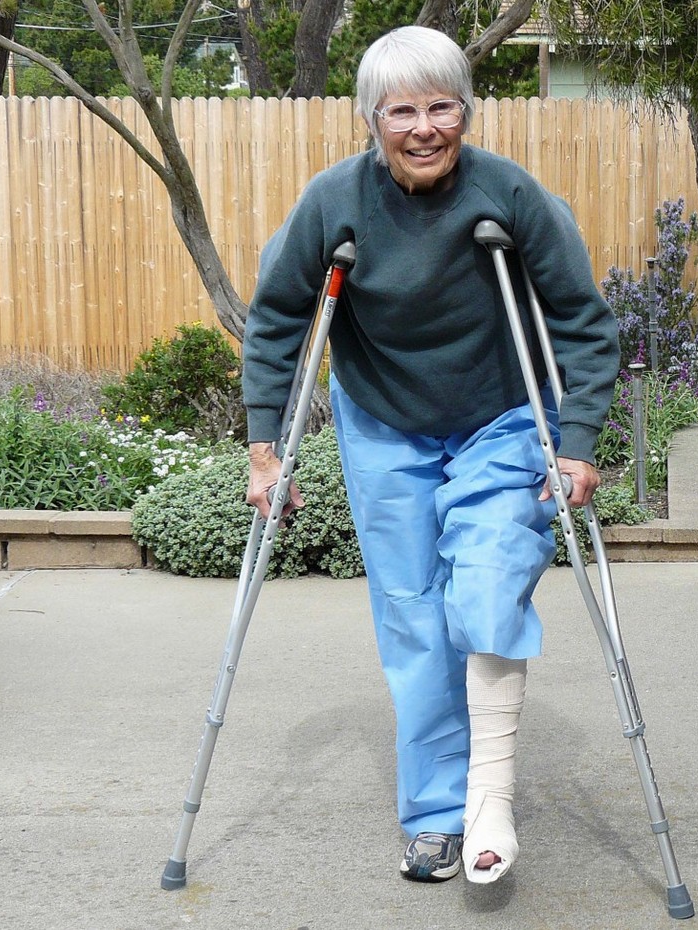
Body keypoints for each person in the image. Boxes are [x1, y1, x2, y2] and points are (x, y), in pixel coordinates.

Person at [242, 25, 620, 885]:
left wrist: (577, 443)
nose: (424, 128)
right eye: (401, 111)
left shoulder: (510, 194)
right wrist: (266, 452)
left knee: (487, 582)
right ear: (371, 119)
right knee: (414, 618)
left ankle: (489, 797)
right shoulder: (334, 201)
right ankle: (439, 816)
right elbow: (276, 321)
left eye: (442, 107)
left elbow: (582, 322)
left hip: (501, 415)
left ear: (466, 110)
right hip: (383, 422)